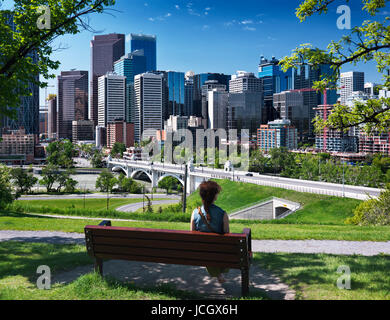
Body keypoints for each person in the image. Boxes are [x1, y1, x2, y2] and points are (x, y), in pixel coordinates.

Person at [190, 181, 230, 284]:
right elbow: (227, 236)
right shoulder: (223, 214)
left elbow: (192, 235)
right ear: (214, 196)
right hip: (219, 252)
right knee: (217, 249)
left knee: (207, 249)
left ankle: (217, 274)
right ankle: (219, 273)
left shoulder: (194, 213)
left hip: (202, 252)